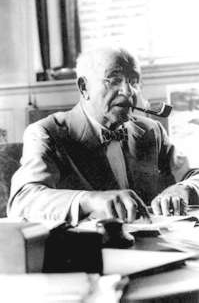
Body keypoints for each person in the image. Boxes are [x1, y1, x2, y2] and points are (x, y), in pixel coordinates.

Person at [7, 46, 199, 225]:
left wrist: (184, 189)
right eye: (114, 80)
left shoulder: (151, 131)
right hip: (92, 253)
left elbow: (194, 175)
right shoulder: (47, 132)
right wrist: (90, 200)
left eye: (133, 81)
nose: (128, 91)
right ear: (84, 88)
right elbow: (22, 200)